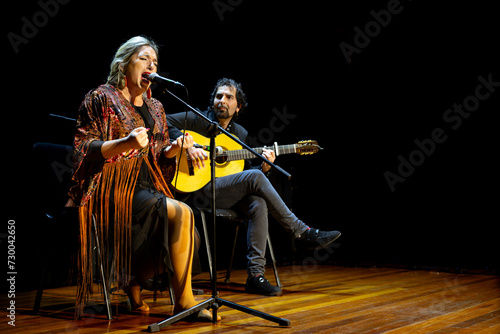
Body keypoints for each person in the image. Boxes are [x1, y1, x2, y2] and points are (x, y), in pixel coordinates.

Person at [68, 36, 219, 322]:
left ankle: (131, 279)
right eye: (144, 59)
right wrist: (125, 143)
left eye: (155, 62)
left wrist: (175, 148)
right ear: (124, 64)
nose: (152, 65)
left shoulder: (157, 107)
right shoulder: (101, 97)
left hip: (147, 185)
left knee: (190, 235)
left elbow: (160, 157)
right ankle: (184, 302)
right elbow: (82, 148)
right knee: (182, 213)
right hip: (110, 186)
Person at [167, 78, 341, 296]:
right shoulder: (196, 119)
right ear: (213, 101)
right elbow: (163, 122)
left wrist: (265, 167)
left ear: (238, 107)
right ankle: (300, 231)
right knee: (255, 178)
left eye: (229, 97)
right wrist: (186, 142)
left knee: (258, 203)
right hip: (197, 190)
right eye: (219, 96)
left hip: (223, 192)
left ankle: (255, 276)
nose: (222, 100)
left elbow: (242, 172)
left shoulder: (239, 133)